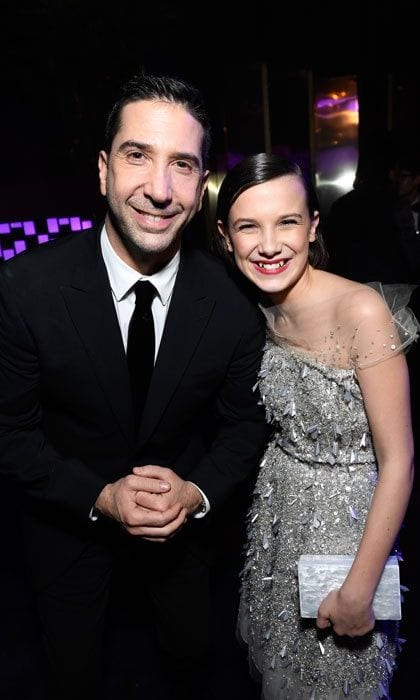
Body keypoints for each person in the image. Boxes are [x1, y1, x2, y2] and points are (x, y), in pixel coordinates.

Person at [0, 74, 268, 700]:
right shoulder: (25, 290)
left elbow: (243, 425)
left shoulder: (234, 305)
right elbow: (9, 432)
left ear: (202, 188)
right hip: (66, 534)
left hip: (186, 551)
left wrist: (197, 490)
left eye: (182, 164)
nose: (158, 188)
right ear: (102, 170)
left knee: (192, 671)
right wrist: (98, 496)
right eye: (137, 155)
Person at [215, 153, 418, 699]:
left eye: (287, 221)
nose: (270, 244)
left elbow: (399, 461)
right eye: (248, 226)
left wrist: (360, 586)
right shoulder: (254, 307)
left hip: (349, 534)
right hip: (276, 526)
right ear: (225, 237)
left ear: (313, 226)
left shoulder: (362, 311)